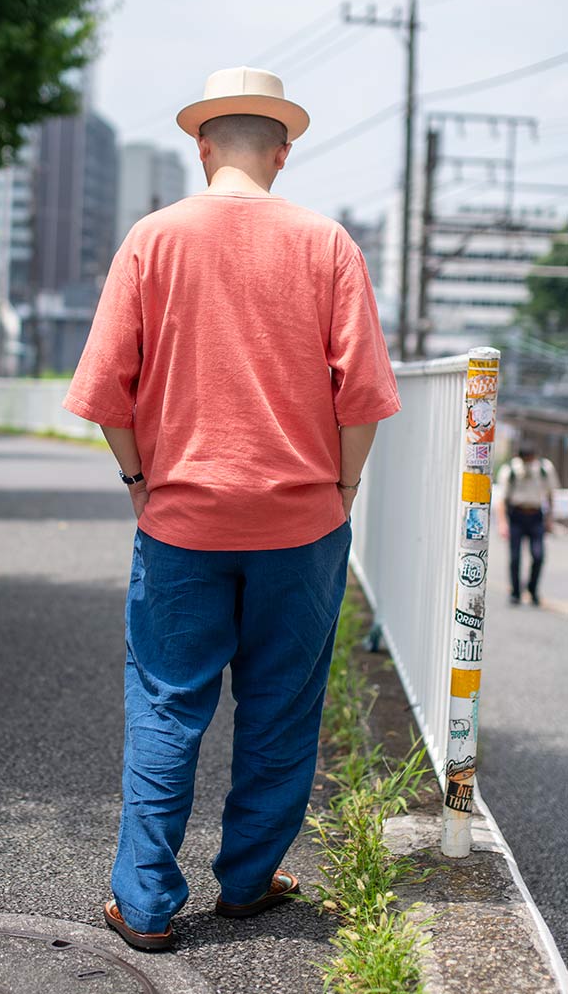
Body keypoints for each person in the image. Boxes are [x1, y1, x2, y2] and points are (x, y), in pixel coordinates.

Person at [62, 66, 401, 951]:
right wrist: (341, 493)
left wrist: (143, 485)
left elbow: (106, 395)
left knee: (168, 704)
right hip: (303, 527)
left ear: (202, 144)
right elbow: (362, 400)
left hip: (181, 523)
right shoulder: (328, 244)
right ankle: (249, 883)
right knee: (282, 708)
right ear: (283, 153)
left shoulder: (153, 239)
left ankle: (142, 904)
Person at [496, 441, 560, 605]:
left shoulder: (544, 469)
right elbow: (501, 500)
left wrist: (549, 519)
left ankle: (532, 589)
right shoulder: (510, 471)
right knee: (515, 557)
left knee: (538, 555)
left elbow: (550, 495)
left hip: (536, 516)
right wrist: (502, 523)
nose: (530, 462)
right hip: (516, 516)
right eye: (527, 459)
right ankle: (516, 592)